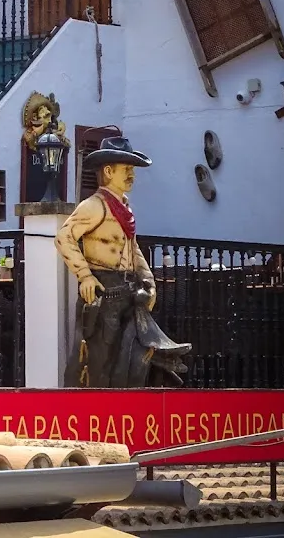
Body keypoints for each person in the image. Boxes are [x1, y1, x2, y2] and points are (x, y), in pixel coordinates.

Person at [55, 137, 190, 387]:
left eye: (132, 170)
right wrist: (85, 275)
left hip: (128, 293)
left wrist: (148, 281)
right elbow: (63, 237)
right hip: (105, 293)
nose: (132, 176)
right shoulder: (94, 206)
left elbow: (132, 247)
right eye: (126, 169)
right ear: (108, 171)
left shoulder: (124, 208)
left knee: (130, 359)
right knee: (100, 361)